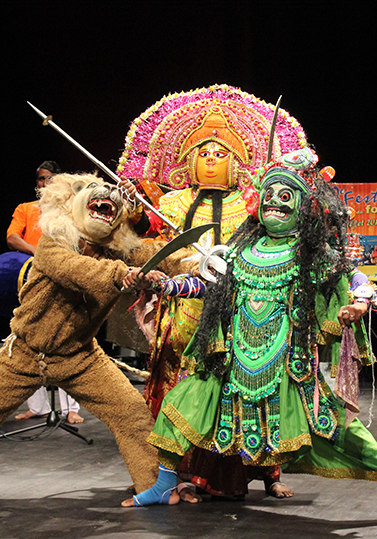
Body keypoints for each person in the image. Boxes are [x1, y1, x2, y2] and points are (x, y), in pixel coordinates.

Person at [121, 146, 377, 507]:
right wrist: (164, 285)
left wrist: (359, 304)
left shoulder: (311, 253)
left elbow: (357, 279)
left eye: (286, 195)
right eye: (270, 194)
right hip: (231, 363)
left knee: (340, 432)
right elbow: (204, 284)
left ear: (304, 207)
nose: (275, 201)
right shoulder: (240, 249)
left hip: (287, 369)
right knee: (178, 406)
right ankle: (164, 484)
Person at [117, 86, 307, 499]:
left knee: (250, 387)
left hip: (240, 310)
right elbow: (146, 240)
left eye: (220, 154)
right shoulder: (168, 203)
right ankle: (171, 473)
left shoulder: (253, 204)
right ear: (187, 160)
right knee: (177, 384)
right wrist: (137, 215)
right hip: (183, 308)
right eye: (203, 153)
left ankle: (259, 473)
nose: (211, 160)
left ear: (237, 162)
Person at [0, 172, 196, 497]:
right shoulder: (52, 243)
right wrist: (124, 275)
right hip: (24, 354)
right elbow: (77, 270)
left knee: (131, 413)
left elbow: (156, 254)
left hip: (81, 357)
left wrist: (197, 262)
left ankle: (155, 488)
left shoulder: (114, 250)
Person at [5, 161, 83, 424]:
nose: (44, 184)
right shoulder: (26, 209)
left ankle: (71, 408)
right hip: (30, 277)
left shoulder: (69, 211)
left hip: (60, 278)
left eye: (49, 179)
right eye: (40, 179)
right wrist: (37, 252)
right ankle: (37, 407)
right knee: (28, 338)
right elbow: (12, 238)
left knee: (63, 338)